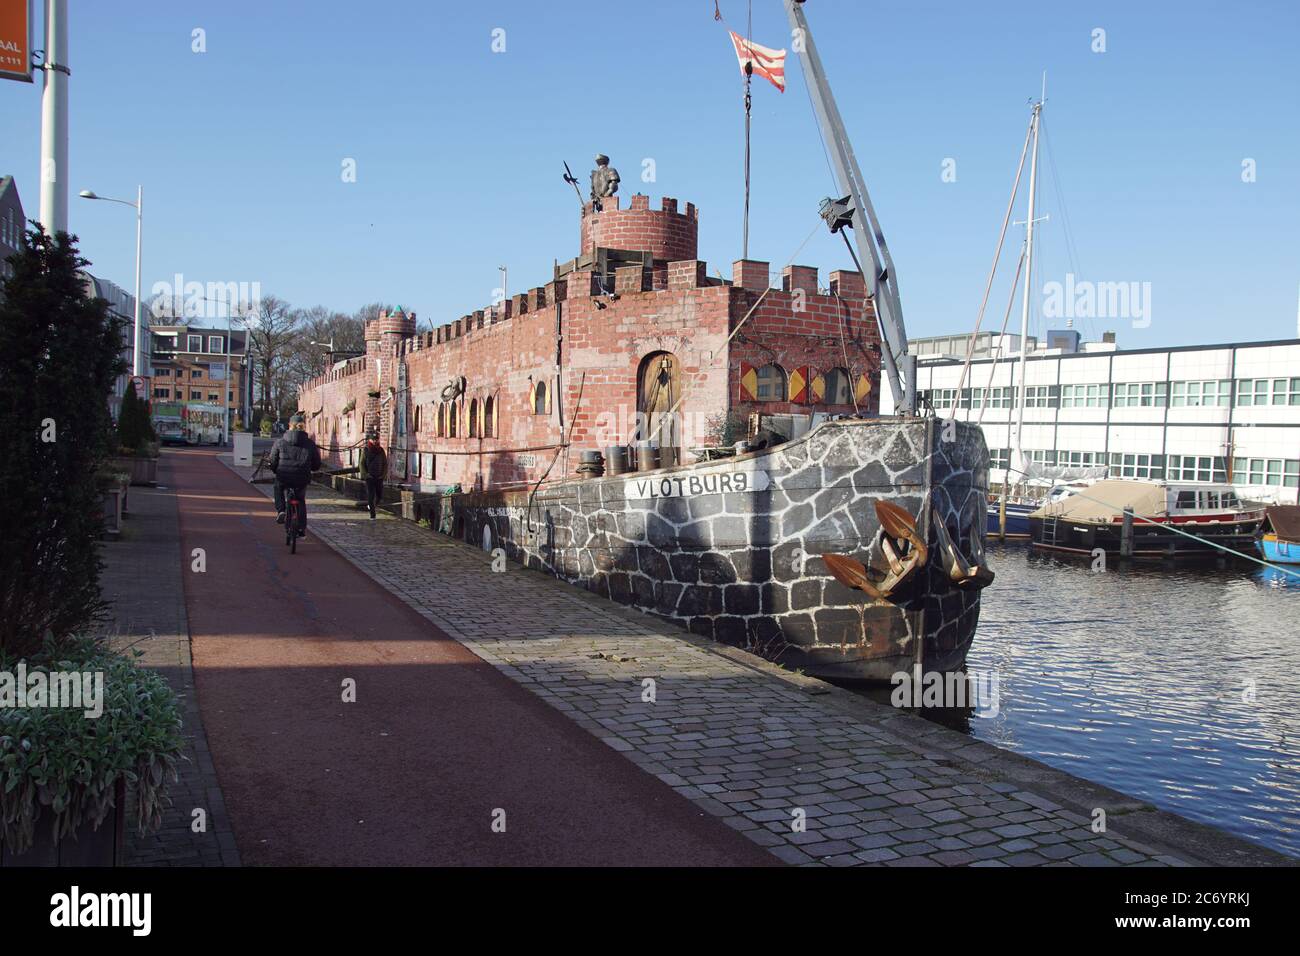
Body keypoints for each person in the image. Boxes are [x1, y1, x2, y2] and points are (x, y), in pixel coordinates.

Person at [269, 413, 322, 534]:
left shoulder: (279, 442)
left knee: (278, 487)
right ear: (303, 426)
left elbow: (273, 461)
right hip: (302, 478)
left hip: (284, 476)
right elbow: (316, 464)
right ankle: (301, 528)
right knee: (300, 499)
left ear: (289, 426)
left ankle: (281, 510)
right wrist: (312, 468)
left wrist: (275, 469)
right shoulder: (310, 444)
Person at [362, 430, 387, 520]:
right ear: (370, 440)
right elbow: (362, 464)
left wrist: (383, 475)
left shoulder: (381, 450)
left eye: (377, 439)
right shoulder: (366, 450)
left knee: (379, 495)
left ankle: (372, 505)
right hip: (370, 477)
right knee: (371, 495)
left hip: (379, 477)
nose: (375, 441)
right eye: (374, 439)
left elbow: (385, 463)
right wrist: (366, 474)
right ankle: (373, 515)